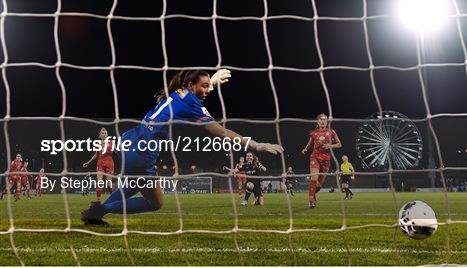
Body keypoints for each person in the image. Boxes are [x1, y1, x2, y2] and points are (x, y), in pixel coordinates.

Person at [81, 69, 282, 225]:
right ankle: (101, 210)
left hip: (128, 141)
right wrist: (256, 145)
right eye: (204, 87)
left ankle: (96, 212)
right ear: (192, 85)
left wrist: (211, 81)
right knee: (155, 203)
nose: (207, 91)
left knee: (134, 184)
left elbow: (193, 92)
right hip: (142, 153)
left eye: (208, 87)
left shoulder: (179, 92)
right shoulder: (193, 104)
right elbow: (221, 132)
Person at [301, 113, 342, 208]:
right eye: (321, 119)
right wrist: (305, 149)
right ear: (318, 121)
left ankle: (313, 195)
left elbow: (339, 144)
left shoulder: (331, 132)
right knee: (313, 179)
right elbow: (310, 142)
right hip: (315, 157)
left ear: (327, 121)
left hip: (326, 159)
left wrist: (331, 146)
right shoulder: (314, 133)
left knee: (319, 185)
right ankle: (311, 200)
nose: (323, 121)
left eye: (325, 119)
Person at [83, 128, 115, 202]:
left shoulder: (111, 142)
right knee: (100, 182)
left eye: (105, 133)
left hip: (109, 163)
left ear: (107, 135)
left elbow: (111, 151)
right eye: (102, 133)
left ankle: (113, 199)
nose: (104, 134)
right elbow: (96, 154)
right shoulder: (97, 143)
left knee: (109, 184)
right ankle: (98, 201)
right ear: (100, 135)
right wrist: (88, 162)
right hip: (100, 163)